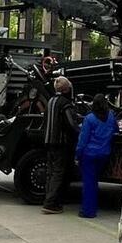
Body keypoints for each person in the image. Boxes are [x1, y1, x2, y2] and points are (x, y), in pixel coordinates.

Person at [75, 94, 117, 219]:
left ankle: (88, 211)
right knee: (94, 182)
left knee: (89, 184)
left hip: (89, 155)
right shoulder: (111, 117)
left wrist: (77, 155)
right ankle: (91, 207)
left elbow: (83, 140)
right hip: (104, 154)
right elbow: (116, 130)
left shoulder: (89, 119)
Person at [42, 77, 80, 214]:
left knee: (50, 172)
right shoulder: (65, 104)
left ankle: (48, 198)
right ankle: (51, 203)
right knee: (59, 172)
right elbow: (71, 124)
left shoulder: (50, 101)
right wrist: (80, 131)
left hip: (49, 141)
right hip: (61, 143)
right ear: (66, 89)